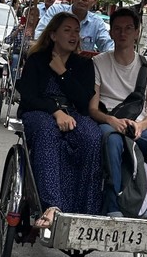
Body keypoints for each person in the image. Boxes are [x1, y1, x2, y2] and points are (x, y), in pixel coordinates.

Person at [17, 12, 103, 229]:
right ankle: (52, 206)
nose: (73, 35)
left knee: (92, 136)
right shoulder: (37, 60)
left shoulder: (84, 65)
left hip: (73, 113)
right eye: (67, 30)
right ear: (53, 35)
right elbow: (28, 96)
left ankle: (87, 210)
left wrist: (63, 73)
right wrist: (55, 111)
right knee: (47, 131)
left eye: (76, 31)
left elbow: (84, 101)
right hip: (39, 112)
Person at [90, 8, 147, 218]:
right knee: (113, 142)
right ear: (111, 33)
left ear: (137, 32)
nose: (123, 33)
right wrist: (111, 120)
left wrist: (141, 125)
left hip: (136, 125)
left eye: (129, 28)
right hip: (108, 121)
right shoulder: (98, 62)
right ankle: (113, 206)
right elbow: (92, 108)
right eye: (118, 29)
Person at [35, 0, 114, 54]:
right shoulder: (56, 11)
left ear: (94, 2)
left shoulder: (97, 22)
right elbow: (39, 36)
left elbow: (108, 45)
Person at [4, 5, 40, 81]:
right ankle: (16, 81)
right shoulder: (20, 27)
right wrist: (17, 31)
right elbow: (8, 41)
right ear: (27, 15)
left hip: (33, 53)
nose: (34, 17)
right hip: (19, 52)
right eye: (32, 14)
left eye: (36, 15)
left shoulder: (39, 30)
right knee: (15, 58)